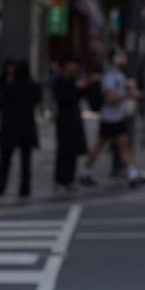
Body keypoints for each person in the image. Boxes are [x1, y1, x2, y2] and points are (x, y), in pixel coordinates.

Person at [79, 47, 145, 188]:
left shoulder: (118, 75)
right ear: (116, 58)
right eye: (122, 56)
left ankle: (132, 174)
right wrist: (128, 95)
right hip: (110, 118)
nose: (125, 59)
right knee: (100, 146)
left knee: (120, 146)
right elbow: (111, 99)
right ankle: (86, 171)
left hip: (117, 117)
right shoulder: (110, 77)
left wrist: (130, 91)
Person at [0, 59, 42, 198]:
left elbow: (0, 104)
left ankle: (1, 187)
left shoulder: (10, 86)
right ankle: (25, 188)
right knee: (26, 161)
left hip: (10, 127)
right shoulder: (33, 86)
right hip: (27, 127)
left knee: (5, 160)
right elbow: (38, 100)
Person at [52, 55, 88, 193]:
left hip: (74, 119)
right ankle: (60, 180)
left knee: (73, 151)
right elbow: (63, 98)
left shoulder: (74, 81)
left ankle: (69, 180)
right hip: (64, 120)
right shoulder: (60, 82)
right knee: (63, 151)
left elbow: (80, 96)